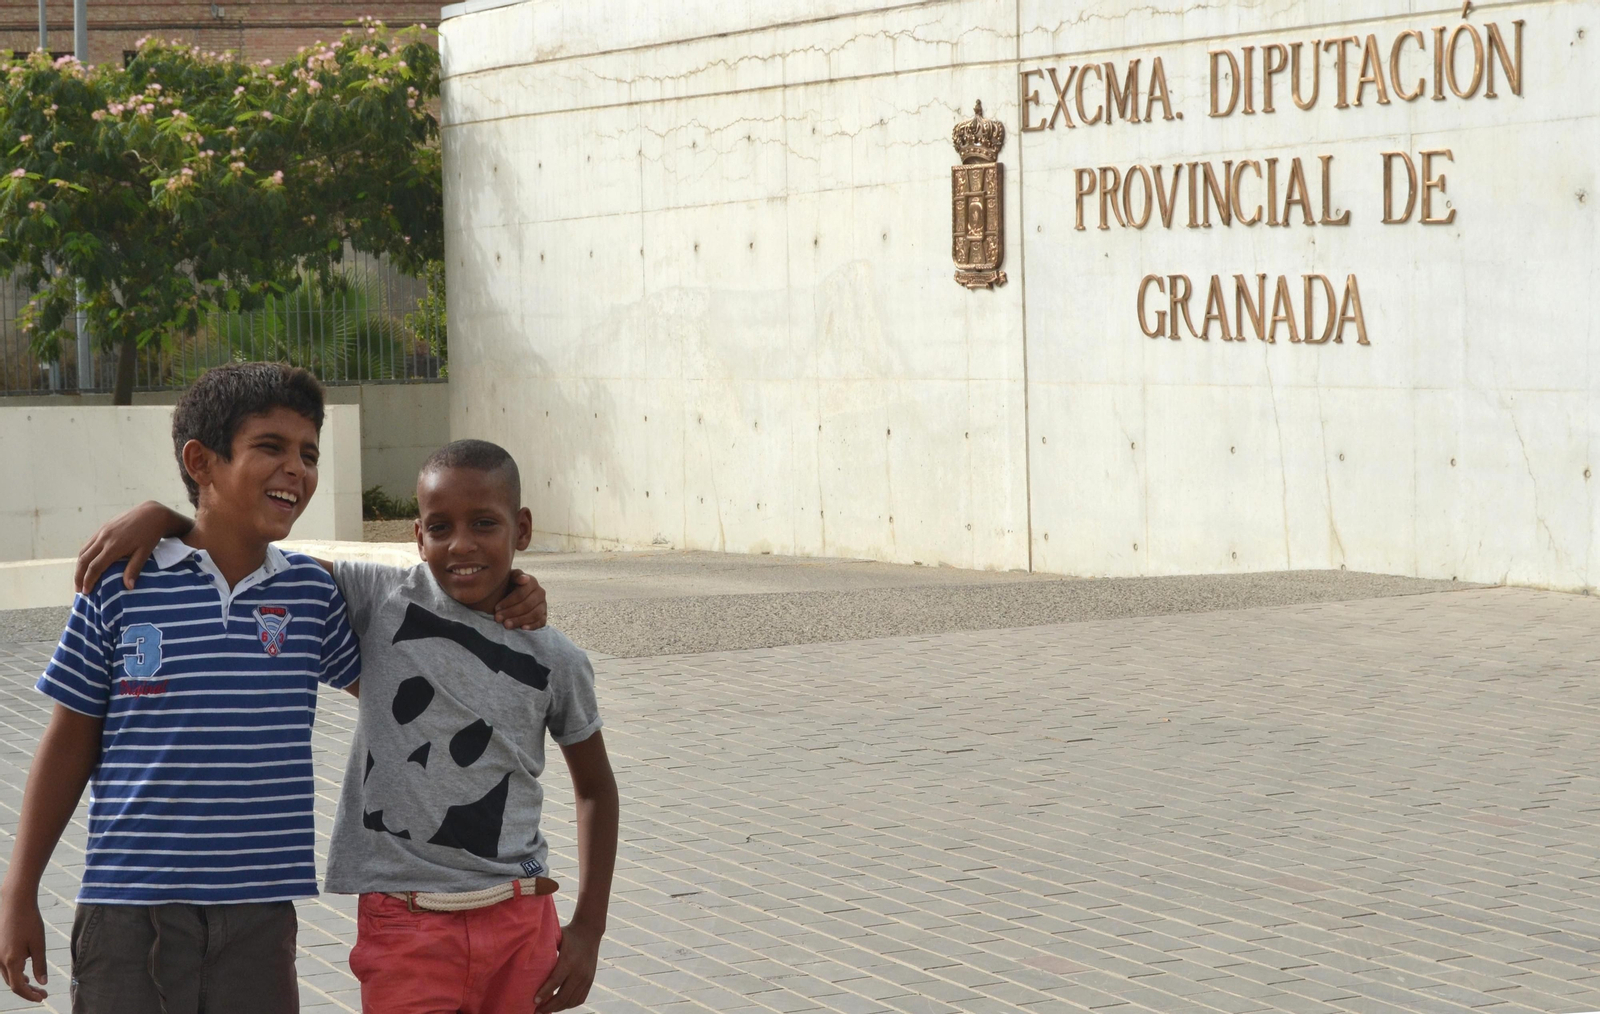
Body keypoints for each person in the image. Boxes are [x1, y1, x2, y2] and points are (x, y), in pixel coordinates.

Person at [70, 438, 615, 1014]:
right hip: (404, 921)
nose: (462, 544)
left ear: (522, 528)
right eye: (440, 527)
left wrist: (589, 928)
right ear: (416, 535)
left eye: (485, 523)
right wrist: (167, 519)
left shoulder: (557, 658)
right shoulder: (381, 598)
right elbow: (247, 549)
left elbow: (597, 789)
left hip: (521, 916)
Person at [0, 362, 362, 1013]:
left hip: (259, 913)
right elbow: (68, 741)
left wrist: (505, 590)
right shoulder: (119, 584)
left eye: (308, 454)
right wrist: (19, 890)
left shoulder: (311, 595)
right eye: (271, 448)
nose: (297, 470)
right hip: (130, 910)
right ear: (202, 460)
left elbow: (398, 682)